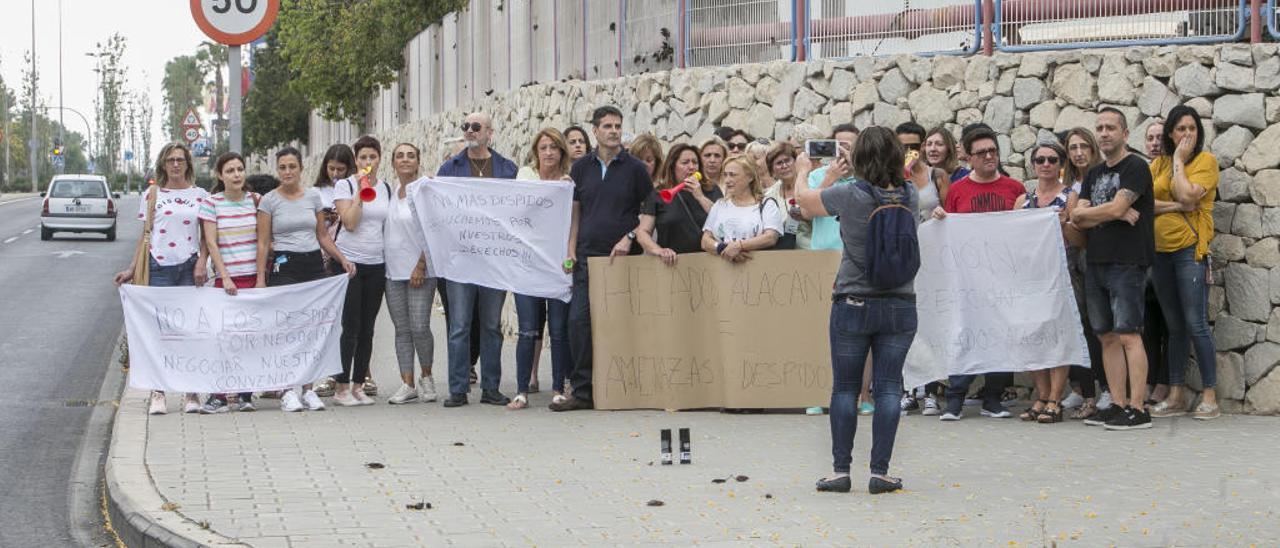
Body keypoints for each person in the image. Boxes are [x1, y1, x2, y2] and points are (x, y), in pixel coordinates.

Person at [795, 126, 918, 495]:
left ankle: (839, 471)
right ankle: (881, 472)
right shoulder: (909, 194)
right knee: (889, 390)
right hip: (900, 302)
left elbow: (804, 202)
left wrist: (807, 168)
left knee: (845, 389)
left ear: (858, 158)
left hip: (853, 300)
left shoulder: (849, 193)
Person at [553, 105, 652, 412]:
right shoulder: (580, 168)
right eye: (607, 126)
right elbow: (575, 213)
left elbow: (649, 212)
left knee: (620, 324)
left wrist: (629, 238)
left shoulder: (635, 168)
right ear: (594, 130)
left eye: (617, 126)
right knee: (578, 323)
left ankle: (625, 389)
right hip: (586, 259)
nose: (613, 131)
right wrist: (570, 248)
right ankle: (583, 391)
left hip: (623, 260)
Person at [930, 127, 1027, 421]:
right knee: (964, 333)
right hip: (967, 279)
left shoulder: (1015, 188)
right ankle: (955, 398)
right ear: (969, 158)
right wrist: (940, 219)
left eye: (993, 150)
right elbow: (949, 229)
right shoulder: (958, 190)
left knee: (1001, 333)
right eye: (982, 152)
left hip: (1002, 277)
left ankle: (993, 398)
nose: (989, 156)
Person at [1070, 107, 1157, 431]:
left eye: (1110, 128)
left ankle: (1138, 407)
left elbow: (1112, 207)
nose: (1104, 133)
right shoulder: (1092, 174)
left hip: (1128, 262)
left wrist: (1104, 211)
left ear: (1124, 134)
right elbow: (1076, 216)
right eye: (1100, 128)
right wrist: (1116, 213)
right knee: (1106, 335)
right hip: (1096, 263)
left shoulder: (1136, 166)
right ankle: (1117, 403)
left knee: (1129, 334)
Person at [255, 147, 356, 412]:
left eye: (292, 166)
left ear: (301, 169)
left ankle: (308, 389)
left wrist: (342, 259)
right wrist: (260, 279)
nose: (288, 172)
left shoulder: (312, 196)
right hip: (284, 266)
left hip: (312, 265)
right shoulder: (269, 201)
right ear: (278, 171)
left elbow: (322, 235)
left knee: (311, 330)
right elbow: (263, 242)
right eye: (283, 167)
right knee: (287, 331)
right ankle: (287, 389)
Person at [114, 143, 210, 415]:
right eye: (171, 160)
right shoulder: (152, 194)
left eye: (180, 160)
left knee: (189, 331)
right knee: (160, 333)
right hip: (159, 267)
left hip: (190, 266)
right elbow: (146, 236)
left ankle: (192, 393)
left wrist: (203, 261)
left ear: (188, 164)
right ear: (164, 164)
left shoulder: (200, 195)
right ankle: (158, 392)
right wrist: (133, 269)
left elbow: (207, 236)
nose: (176, 165)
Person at [436, 112, 519, 407]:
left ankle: (491, 387)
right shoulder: (449, 169)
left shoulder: (508, 169)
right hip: (460, 261)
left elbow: (516, 212)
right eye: (465, 127)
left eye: (475, 127)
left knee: (492, 325)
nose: (469, 131)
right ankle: (458, 388)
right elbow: (440, 210)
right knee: (459, 325)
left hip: (494, 261)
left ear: (489, 133)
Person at [1148, 106, 1221, 420]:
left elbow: (1190, 197)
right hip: (1159, 252)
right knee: (1175, 327)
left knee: (1196, 324)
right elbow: (1144, 204)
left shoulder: (1205, 162)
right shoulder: (1157, 164)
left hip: (1190, 250)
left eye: (1192, 128)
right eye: (1180, 129)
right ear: (1170, 133)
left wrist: (1179, 160)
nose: (1186, 134)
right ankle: (1176, 393)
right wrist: (1176, 204)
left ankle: (1209, 395)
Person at [798, 124, 876, 416]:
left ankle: (863, 393)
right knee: (822, 330)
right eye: (838, 144)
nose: (843, 150)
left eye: (849, 145)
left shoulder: (868, 179)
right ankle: (819, 392)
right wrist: (830, 178)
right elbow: (807, 211)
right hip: (823, 256)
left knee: (861, 331)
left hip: (855, 258)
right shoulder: (819, 176)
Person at [1013, 142, 1080, 423]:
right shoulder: (1022, 201)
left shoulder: (1069, 198)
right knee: (1032, 336)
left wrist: (1064, 223)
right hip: (1030, 277)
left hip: (1060, 274)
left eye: (1052, 159)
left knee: (1057, 335)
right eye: (1040, 159)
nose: (1046, 164)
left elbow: (1079, 240)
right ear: (1033, 164)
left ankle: (1055, 397)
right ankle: (1041, 395)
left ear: (1061, 164)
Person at [508, 129, 575, 409]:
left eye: (553, 147)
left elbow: (574, 221)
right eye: (543, 147)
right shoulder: (525, 176)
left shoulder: (570, 182)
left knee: (558, 330)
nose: (548, 152)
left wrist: (570, 254)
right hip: (528, 264)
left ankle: (559, 387)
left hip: (557, 263)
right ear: (536, 152)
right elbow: (517, 213)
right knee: (527, 329)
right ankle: (522, 390)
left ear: (561, 152)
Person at [329, 136, 392, 407]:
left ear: (379, 159)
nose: (368, 162)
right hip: (349, 263)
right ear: (356, 160)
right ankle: (341, 386)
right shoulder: (344, 185)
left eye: (372, 157)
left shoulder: (387, 188)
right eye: (363, 158)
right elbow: (351, 223)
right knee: (350, 327)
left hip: (376, 264)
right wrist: (360, 191)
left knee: (368, 328)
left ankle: (358, 385)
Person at [196, 152, 259, 413]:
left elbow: (264, 240)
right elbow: (211, 242)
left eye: (240, 169)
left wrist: (262, 278)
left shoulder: (256, 201)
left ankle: (245, 394)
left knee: (248, 338)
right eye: (230, 170)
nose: (236, 175)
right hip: (227, 281)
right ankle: (219, 395)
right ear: (220, 176)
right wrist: (225, 276)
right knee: (223, 338)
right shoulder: (211, 203)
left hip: (253, 278)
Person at [382, 143, 438, 405]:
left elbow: (433, 229)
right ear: (393, 163)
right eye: (400, 156)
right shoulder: (391, 192)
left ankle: (427, 377)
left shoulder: (424, 189)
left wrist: (421, 265)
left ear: (418, 162)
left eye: (411, 156)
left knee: (420, 327)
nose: (405, 160)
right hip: (393, 272)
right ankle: (407, 383)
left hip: (420, 271)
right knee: (402, 330)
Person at [1061, 127, 1108, 418]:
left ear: (1092, 149)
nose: (1078, 152)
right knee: (1079, 326)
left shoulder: (1101, 179)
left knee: (1101, 327)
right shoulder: (1069, 186)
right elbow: (1074, 227)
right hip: (1073, 258)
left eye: (1083, 147)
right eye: (1072, 148)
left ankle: (1109, 387)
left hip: (1098, 257)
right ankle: (1083, 388)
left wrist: (1077, 218)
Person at [311, 144, 355, 398]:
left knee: (352, 320)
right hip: (323, 258)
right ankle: (328, 373)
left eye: (341, 169)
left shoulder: (354, 189)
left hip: (348, 255)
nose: (336, 174)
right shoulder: (316, 192)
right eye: (331, 168)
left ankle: (359, 371)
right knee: (329, 319)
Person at [635, 143, 722, 265]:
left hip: (709, 262)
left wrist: (700, 197)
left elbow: (723, 220)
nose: (691, 167)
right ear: (672, 166)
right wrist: (659, 251)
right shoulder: (658, 194)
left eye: (695, 162)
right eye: (685, 163)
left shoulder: (711, 189)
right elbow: (643, 232)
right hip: (673, 264)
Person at [701, 155, 781, 261]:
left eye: (733, 175)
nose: (727, 180)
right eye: (725, 175)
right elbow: (705, 241)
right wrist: (723, 249)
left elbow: (770, 237)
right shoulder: (720, 205)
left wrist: (739, 246)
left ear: (750, 177)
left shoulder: (767, 204)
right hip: (723, 270)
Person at [762, 142, 805, 250]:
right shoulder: (768, 196)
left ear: (796, 162)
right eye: (779, 163)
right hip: (782, 253)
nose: (784, 166)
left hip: (811, 251)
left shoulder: (810, 185)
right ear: (772, 171)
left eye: (787, 161)